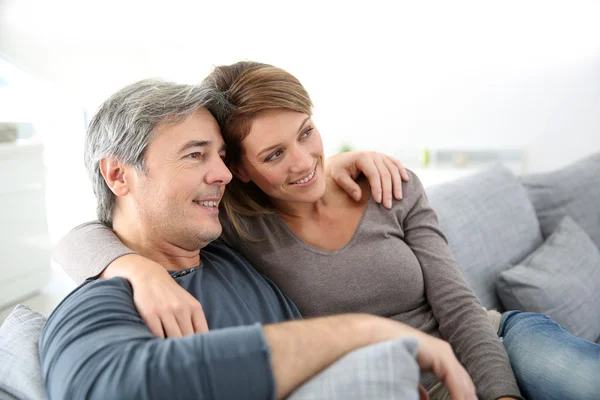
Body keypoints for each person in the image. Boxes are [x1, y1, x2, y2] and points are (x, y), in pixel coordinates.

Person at [54, 62, 600, 400]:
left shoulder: (377, 190)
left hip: (487, 342)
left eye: (306, 133)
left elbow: (458, 306)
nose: (218, 173)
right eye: (198, 156)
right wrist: (129, 265)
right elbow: (102, 376)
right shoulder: (211, 243)